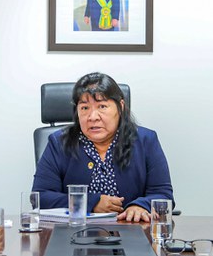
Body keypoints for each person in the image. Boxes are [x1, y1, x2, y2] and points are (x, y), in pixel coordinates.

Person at [32, 72, 174, 222]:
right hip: (74, 232)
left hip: (131, 232)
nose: (93, 117)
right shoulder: (59, 142)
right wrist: (89, 203)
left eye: (102, 106)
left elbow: (163, 195)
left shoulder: (146, 141)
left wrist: (140, 206)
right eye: (85, 108)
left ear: (120, 107)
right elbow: (40, 196)